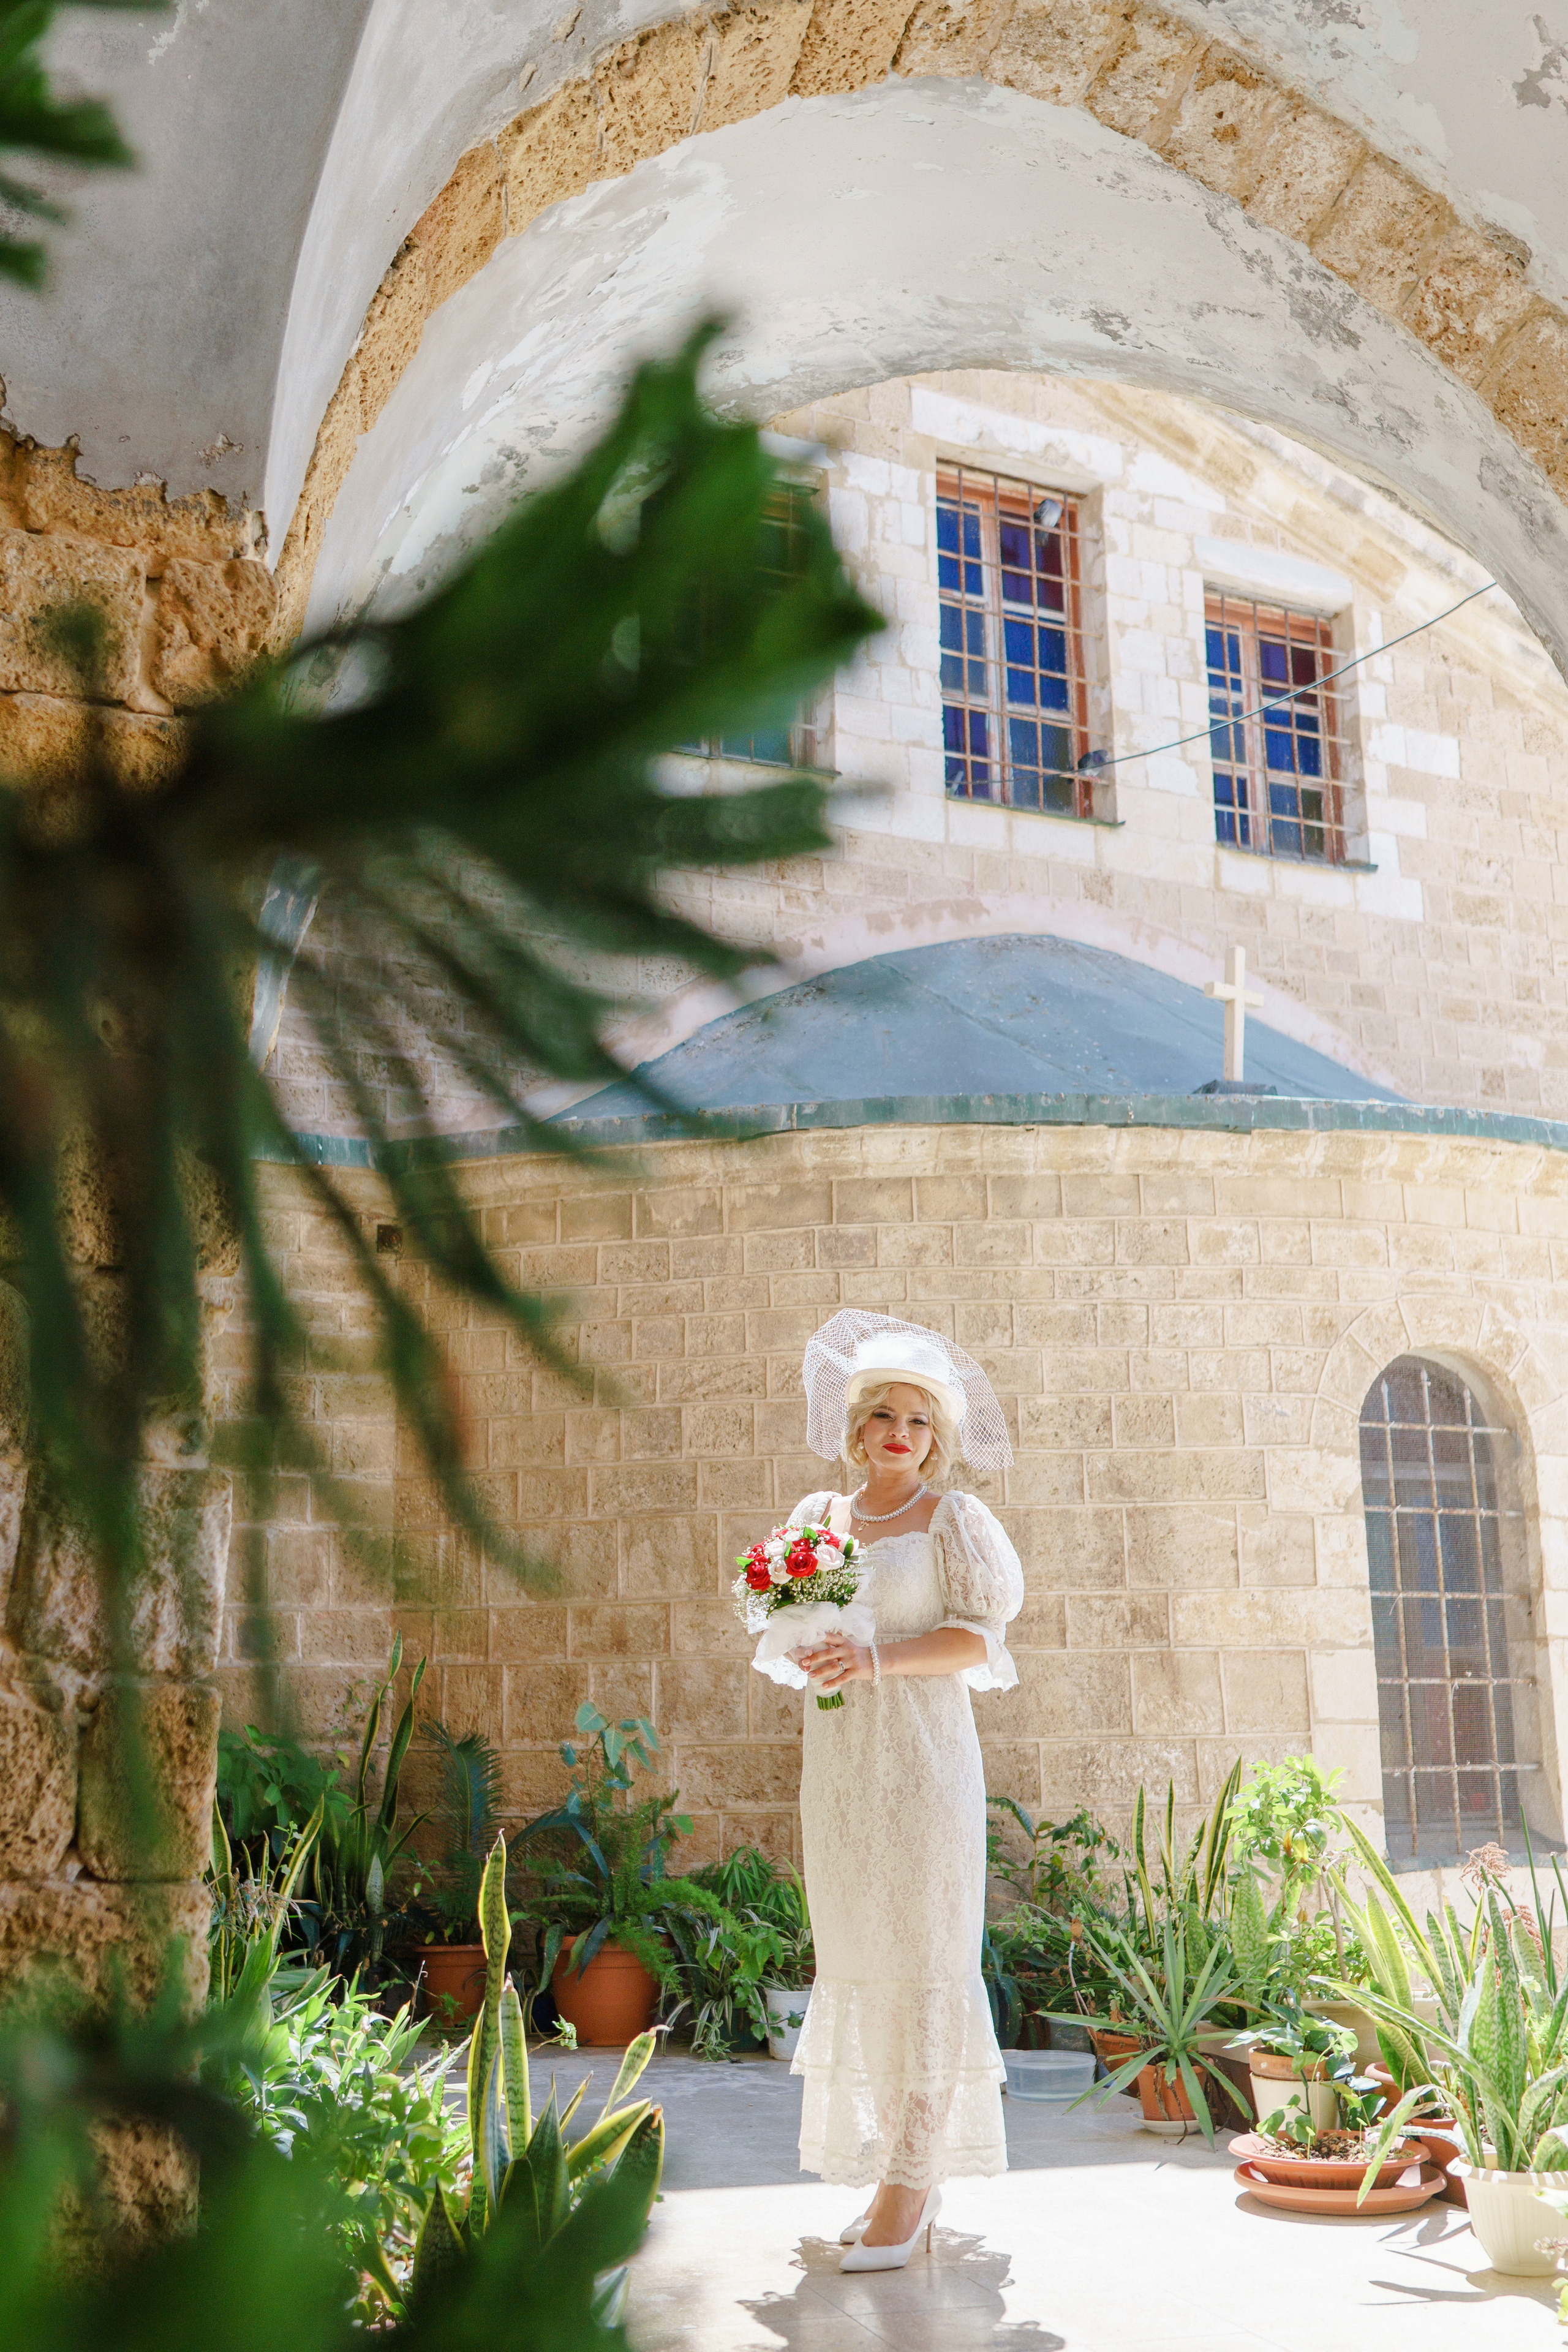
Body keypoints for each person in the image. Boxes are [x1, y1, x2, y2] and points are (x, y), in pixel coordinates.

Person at [763, 1309, 1025, 2273]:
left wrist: (873, 1658)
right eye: (885, 1417)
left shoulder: (955, 1520)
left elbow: (978, 1641)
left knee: (924, 1955)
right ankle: (895, 2176)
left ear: (936, 1439)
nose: (901, 1436)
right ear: (858, 1428)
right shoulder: (814, 1524)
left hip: (923, 1761)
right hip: (840, 1770)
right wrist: (804, 1643)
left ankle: (912, 2188)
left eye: (919, 1421)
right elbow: (788, 1638)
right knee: (862, 1953)